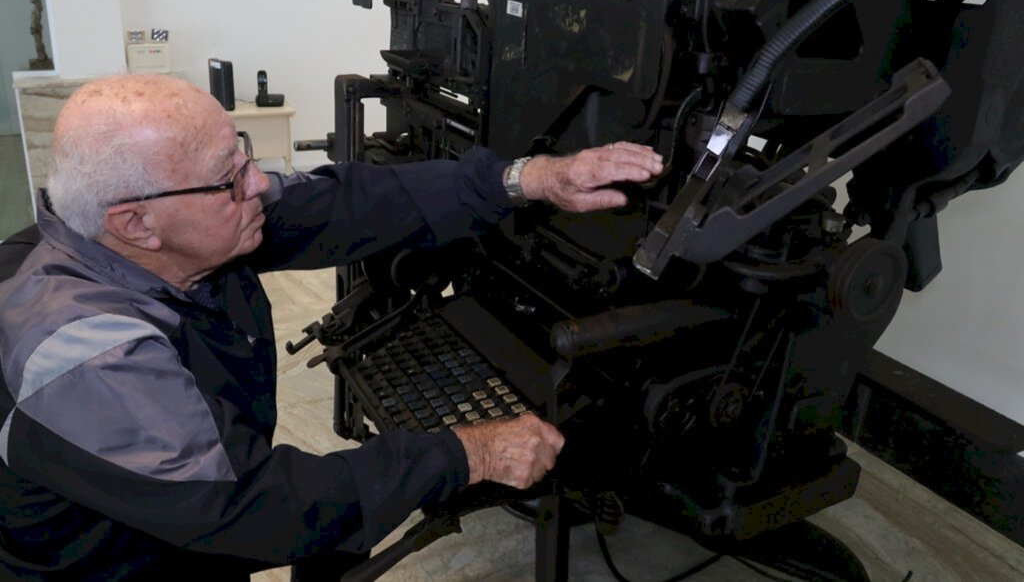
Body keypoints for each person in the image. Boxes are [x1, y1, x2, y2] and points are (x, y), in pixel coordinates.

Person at [0, 74, 663, 580]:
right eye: (229, 182)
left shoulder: (166, 230)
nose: (258, 184)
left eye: (244, 157)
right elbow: (254, 506)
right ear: (135, 222)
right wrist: (470, 452)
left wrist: (529, 179)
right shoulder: (81, 348)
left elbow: (342, 202)